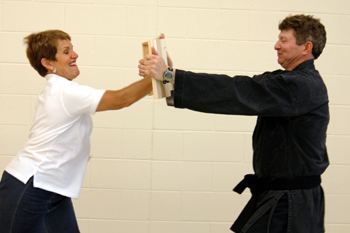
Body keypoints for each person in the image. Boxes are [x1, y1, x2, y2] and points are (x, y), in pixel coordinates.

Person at [139, 14, 329, 233]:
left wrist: (171, 75)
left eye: (284, 40)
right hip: (286, 198)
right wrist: (168, 78)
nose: (276, 45)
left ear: (306, 47)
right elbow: (240, 89)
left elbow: (236, 91)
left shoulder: (300, 87)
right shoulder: (292, 83)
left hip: (291, 205)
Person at [0, 29, 153, 233]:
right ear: (47, 63)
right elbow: (121, 99)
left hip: (54, 189)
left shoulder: (58, 92)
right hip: (30, 185)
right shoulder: (65, 92)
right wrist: (157, 76)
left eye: (73, 49)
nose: (75, 55)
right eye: (66, 51)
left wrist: (157, 79)